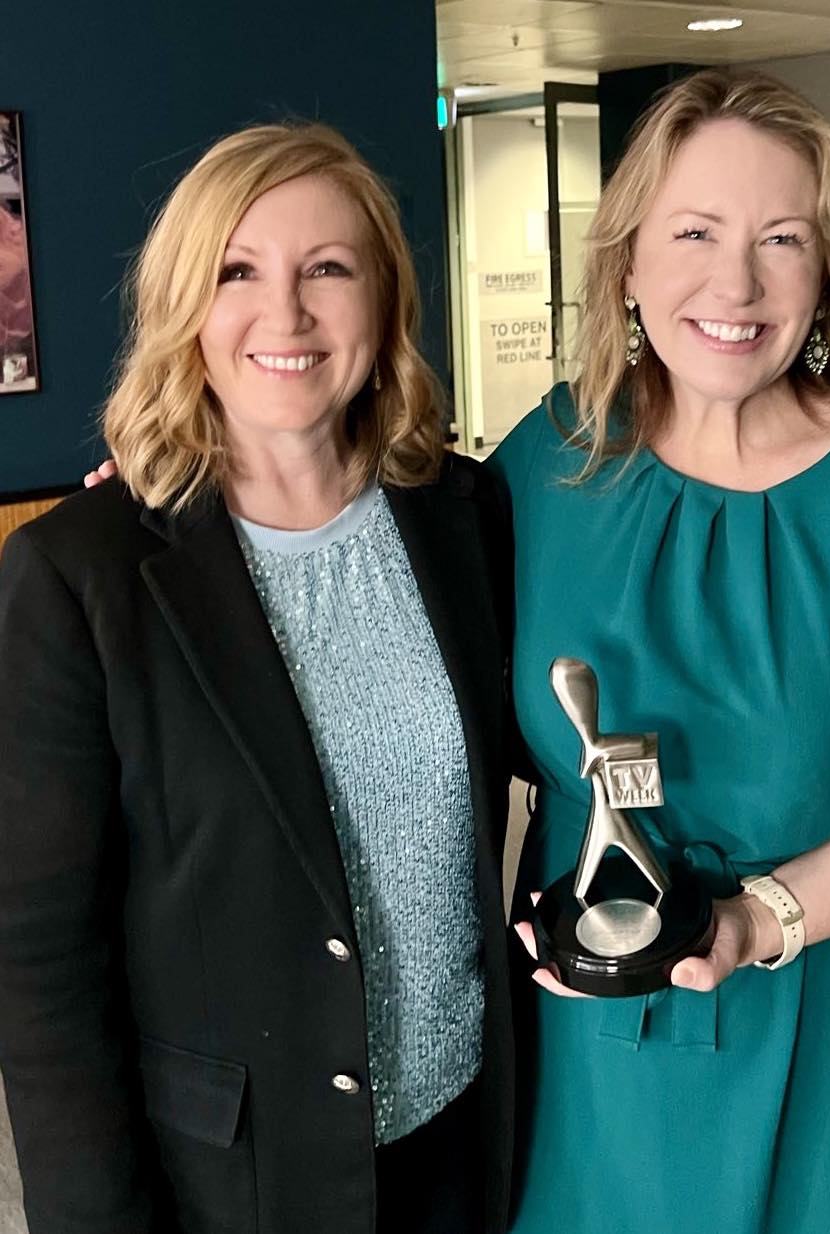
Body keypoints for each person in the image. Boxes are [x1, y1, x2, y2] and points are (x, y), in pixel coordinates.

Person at [492, 69, 830, 1234]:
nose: (737, 283)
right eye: (695, 232)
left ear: (828, 272)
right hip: (582, 1042)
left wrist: (758, 920)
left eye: (782, 239)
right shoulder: (546, 461)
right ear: (627, 262)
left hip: (821, 1017)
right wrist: (182, 508)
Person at [0, 122, 516, 1234]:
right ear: (184, 304)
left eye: (327, 268)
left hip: (465, 1143)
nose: (285, 313)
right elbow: (41, 965)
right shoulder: (81, 574)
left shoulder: (468, 517)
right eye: (238, 271)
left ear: (383, 300)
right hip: (239, 1180)